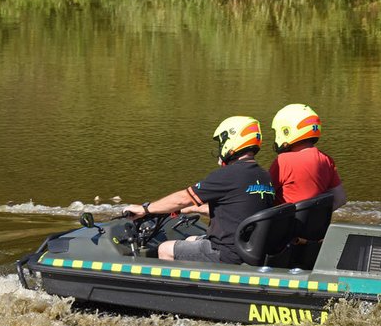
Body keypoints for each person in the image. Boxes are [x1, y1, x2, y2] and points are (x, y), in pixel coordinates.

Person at [125, 116, 275, 264]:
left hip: (227, 252)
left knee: (165, 249)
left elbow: (183, 198)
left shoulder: (228, 174)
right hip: (248, 248)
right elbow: (236, 211)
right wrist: (189, 209)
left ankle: (181, 288)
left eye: (221, 142)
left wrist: (145, 209)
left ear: (231, 140)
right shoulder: (263, 175)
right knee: (190, 240)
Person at [268, 104, 346, 209]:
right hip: (315, 225)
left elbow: (262, 195)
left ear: (286, 131)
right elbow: (340, 199)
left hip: (286, 224)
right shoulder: (326, 159)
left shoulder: (283, 162)